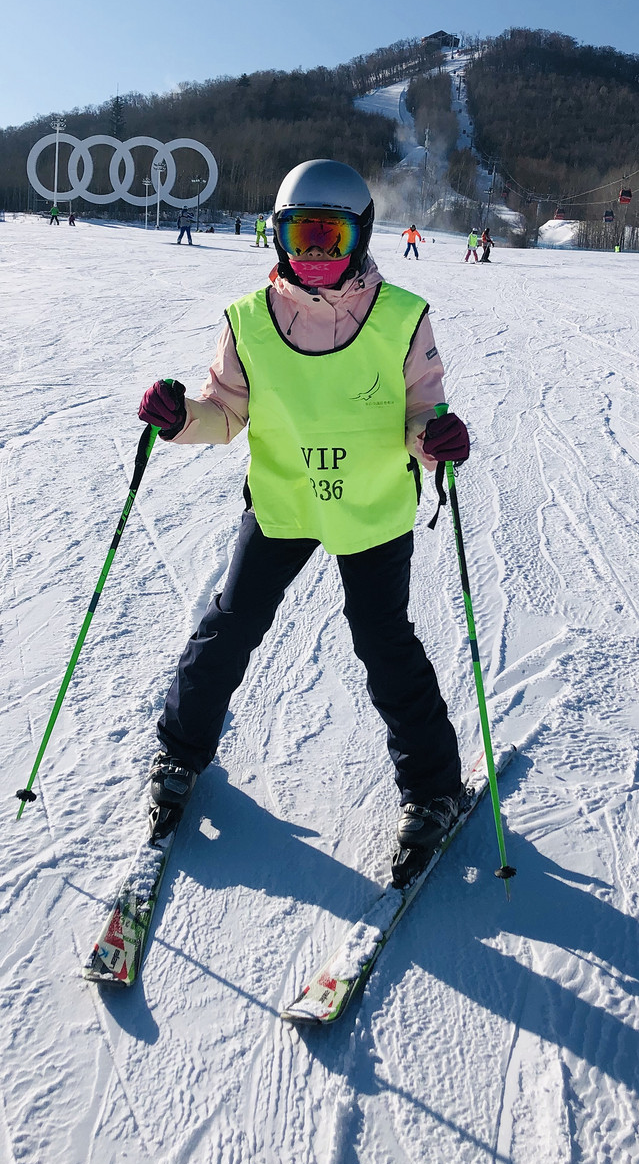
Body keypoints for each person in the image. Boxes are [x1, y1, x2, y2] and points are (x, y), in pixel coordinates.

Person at [137, 159, 470, 885]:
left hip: (371, 507)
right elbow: (223, 414)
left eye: (331, 235)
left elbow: (422, 409)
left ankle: (434, 789)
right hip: (285, 501)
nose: (315, 253)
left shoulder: (402, 317)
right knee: (230, 624)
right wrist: (179, 419)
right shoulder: (248, 322)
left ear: (360, 236)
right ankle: (181, 750)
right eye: (300, 235)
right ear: (278, 236)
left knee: (384, 645)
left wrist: (435, 436)